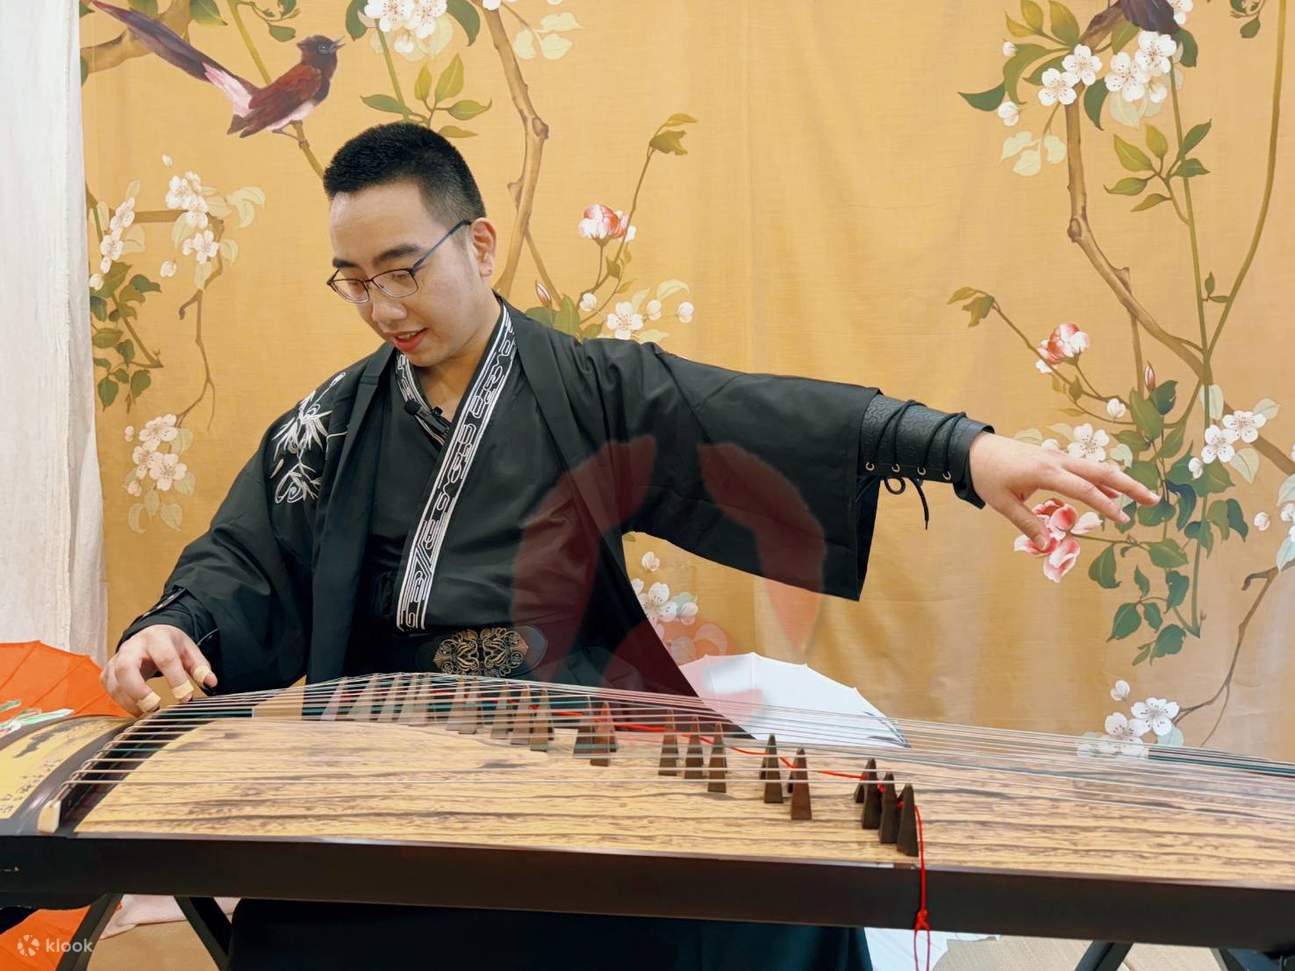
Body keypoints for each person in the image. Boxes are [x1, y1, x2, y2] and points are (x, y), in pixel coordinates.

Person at [104, 122, 1159, 970]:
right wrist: (172, 626)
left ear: (477, 244)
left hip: (579, 738)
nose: (380, 305)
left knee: (780, 885)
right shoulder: (329, 426)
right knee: (315, 926)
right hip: (391, 758)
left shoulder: (591, 389)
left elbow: (771, 417)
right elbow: (243, 559)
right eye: (351, 279)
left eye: (400, 269)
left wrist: (967, 453)